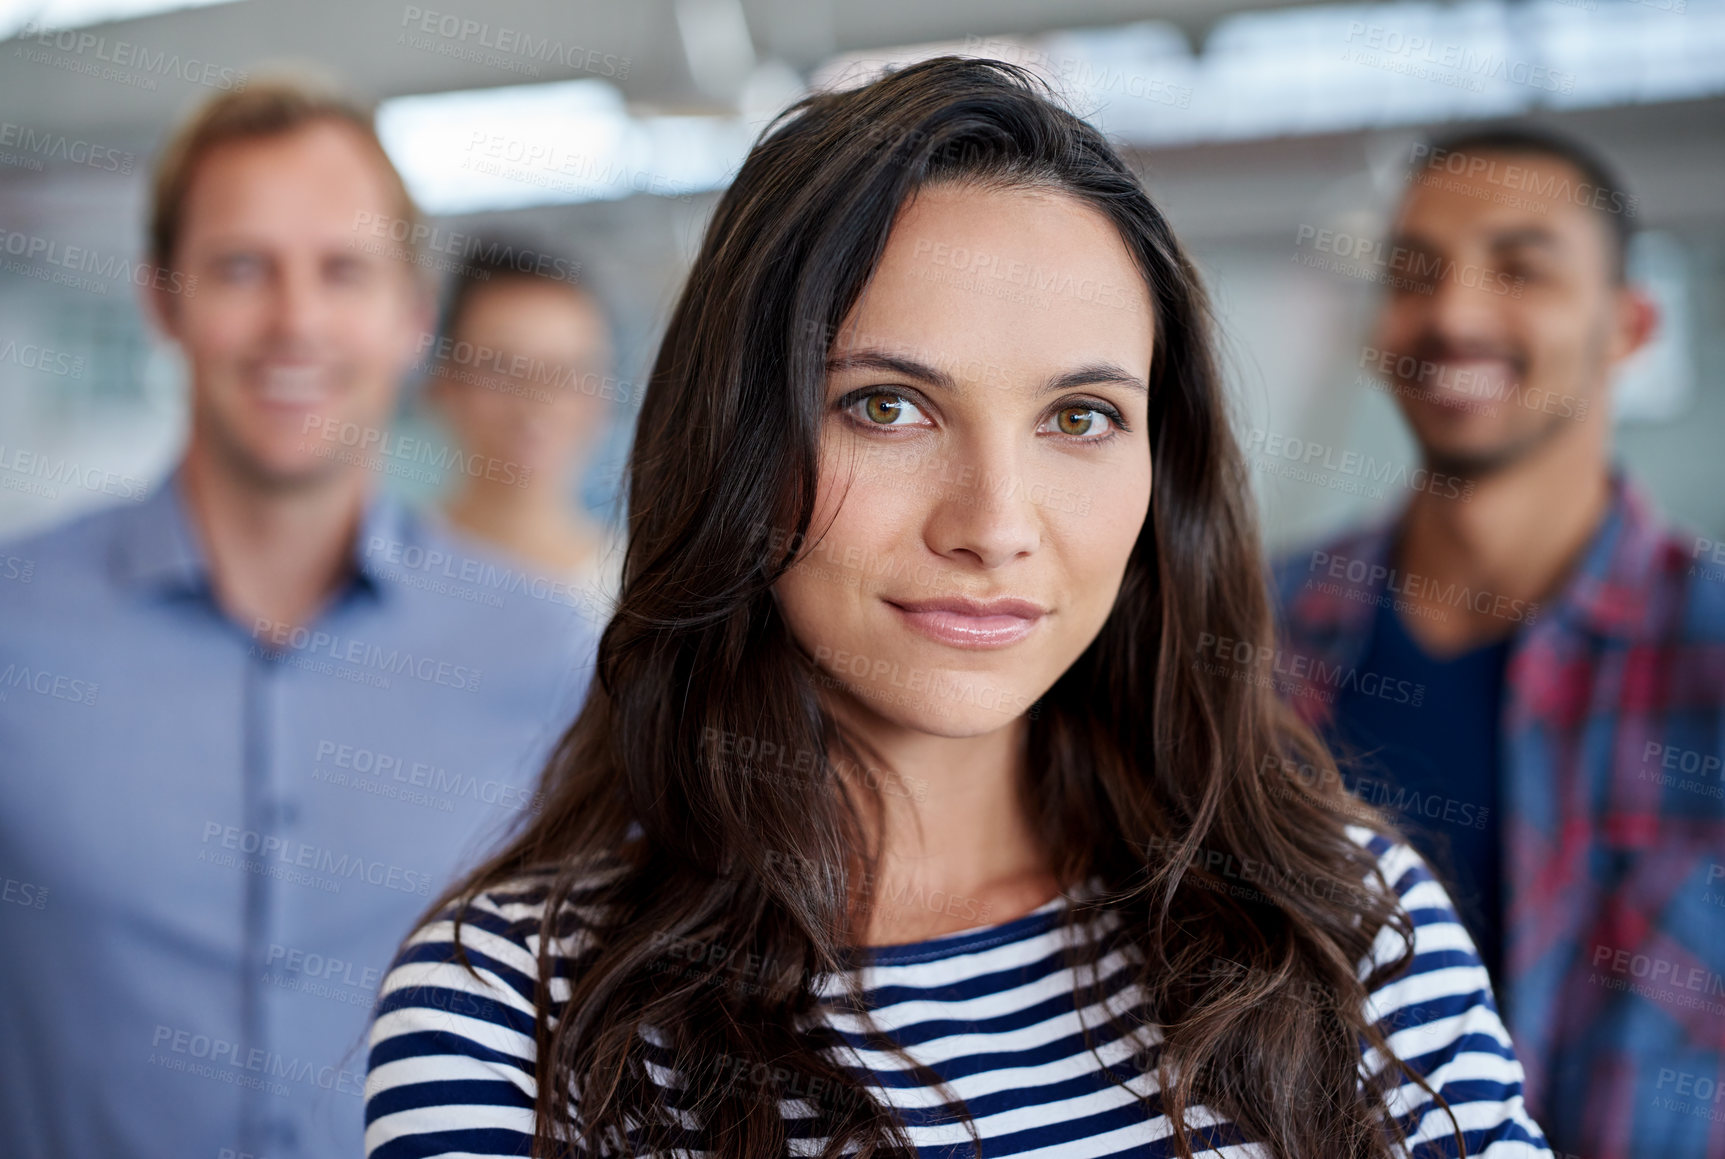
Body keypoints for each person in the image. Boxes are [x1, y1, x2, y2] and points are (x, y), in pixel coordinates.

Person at [362, 59, 1550, 1159]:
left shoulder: (1348, 919)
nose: (994, 522)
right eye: (887, 406)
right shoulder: (513, 1011)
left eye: (1079, 417)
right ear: (736, 439)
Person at [0, 79, 599, 1159]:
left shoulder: (548, 656)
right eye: (241, 267)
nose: (296, 321)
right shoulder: (15, 625)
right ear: (161, 299)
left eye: (344, 269)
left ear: (412, 317)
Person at [1270, 126, 1725, 1159]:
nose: (1456, 313)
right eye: (1414, 273)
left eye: (1521, 268)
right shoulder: (1251, 632)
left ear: (1631, 325)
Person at [423, 239, 625, 613]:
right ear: (444, 384)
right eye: (500, 369)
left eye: (565, 374)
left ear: (604, 395)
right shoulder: (377, 571)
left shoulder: (645, 591)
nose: (535, 403)